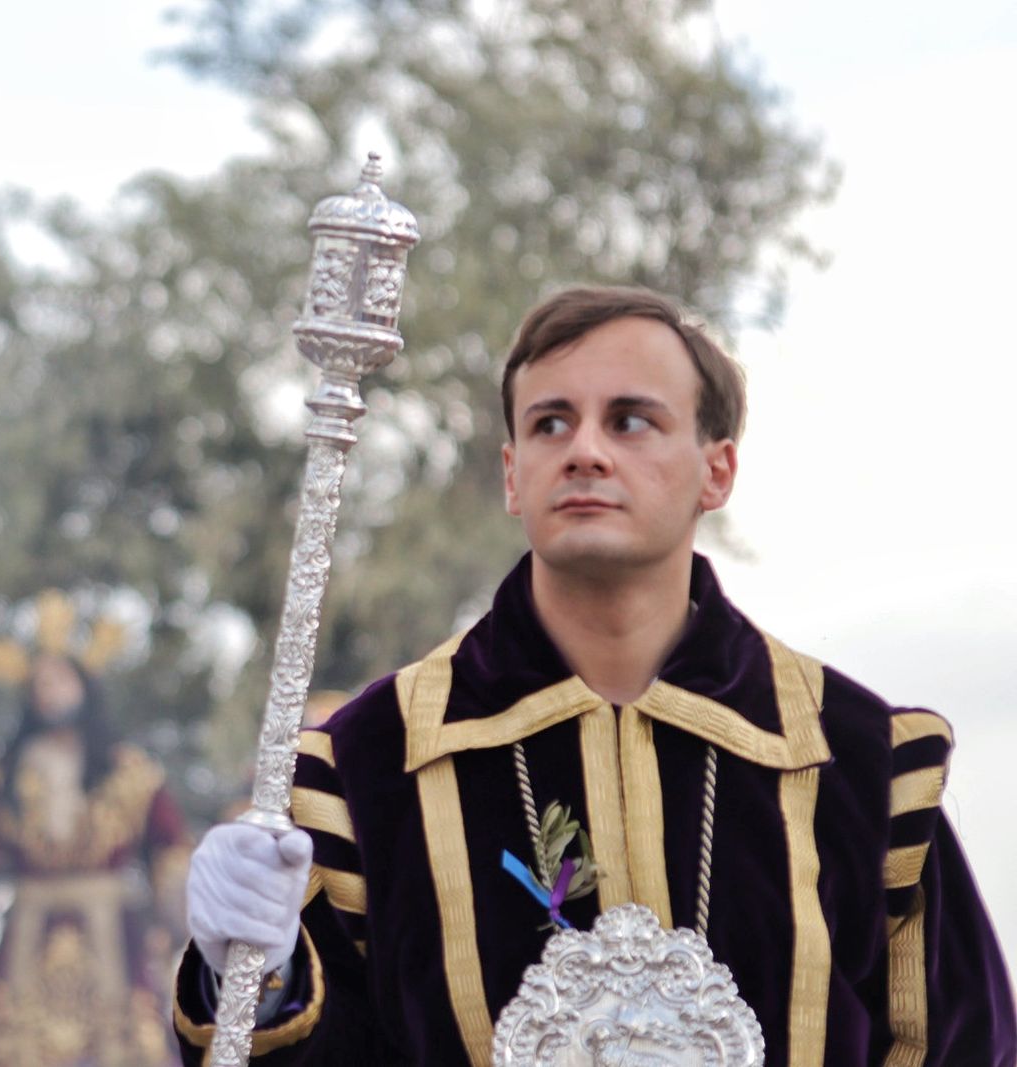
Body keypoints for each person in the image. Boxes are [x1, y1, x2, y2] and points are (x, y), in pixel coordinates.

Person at [174, 287, 1016, 1066]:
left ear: (716, 470)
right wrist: (254, 972)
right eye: (550, 423)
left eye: (630, 420)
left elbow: (961, 1045)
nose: (584, 450)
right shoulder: (363, 767)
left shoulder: (864, 764)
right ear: (512, 475)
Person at [0, 638, 192, 1067]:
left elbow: (167, 845)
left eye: (59, 680)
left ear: (85, 686)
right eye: (40, 683)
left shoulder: (128, 771)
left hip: (109, 938)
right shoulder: (8, 776)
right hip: (28, 936)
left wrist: (184, 895)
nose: (48, 690)